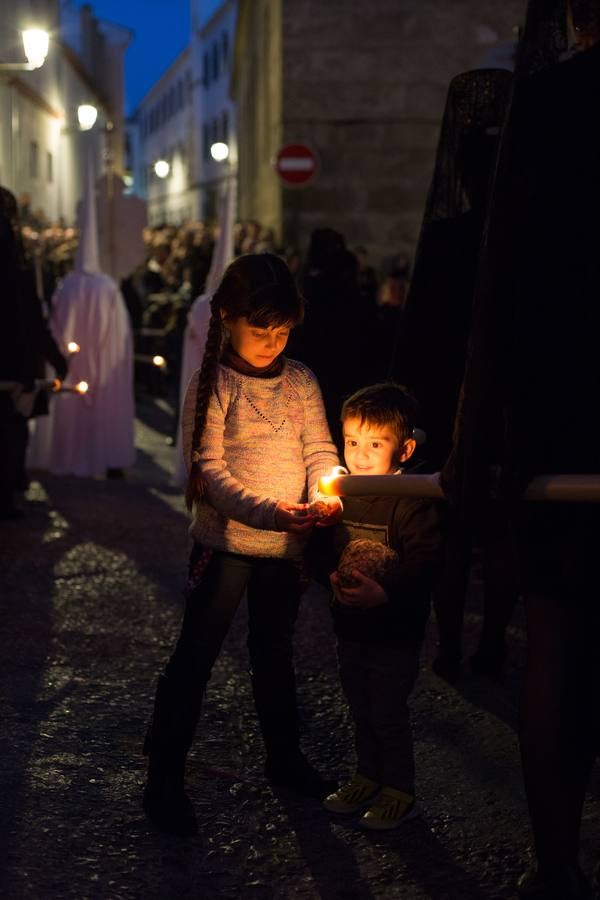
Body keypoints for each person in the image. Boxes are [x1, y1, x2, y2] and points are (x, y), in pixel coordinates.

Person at [443, 1, 600, 896]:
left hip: (561, 411)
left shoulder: (548, 106)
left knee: (559, 643)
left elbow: (498, 287)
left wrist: (477, 442)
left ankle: (556, 866)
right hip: (561, 413)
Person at [143, 252, 341, 837]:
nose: (273, 342)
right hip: (226, 545)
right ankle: (164, 775)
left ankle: (284, 757)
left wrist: (323, 495)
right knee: (198, 654)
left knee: (274, 652)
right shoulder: (211, 385)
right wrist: (273, 510)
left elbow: (319, 451)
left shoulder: (301, 380)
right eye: (261, 331)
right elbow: (210, 471)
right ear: (225, 317)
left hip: (286, 547)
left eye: (282, 330)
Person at [318, 384, 441, 829]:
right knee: (359, 705)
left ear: (405, 448)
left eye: (375, 443)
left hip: (394, 630)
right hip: (349, 626)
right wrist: (330, 573)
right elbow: (330, 546)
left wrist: (386, 594)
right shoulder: (343, 490)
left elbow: (427, 563)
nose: (361, 455)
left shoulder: (413, 499)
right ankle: (367, 776)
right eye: (352, 442)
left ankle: (399, 790)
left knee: (388, 710)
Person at [27, 159, 135, 478]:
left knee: (74, 403)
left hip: (73, 363)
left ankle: (68, 452)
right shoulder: (106, 288)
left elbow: (56, 327)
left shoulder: (67, 286)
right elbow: (120, 338)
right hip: (99, 365)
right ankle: (104, 454)